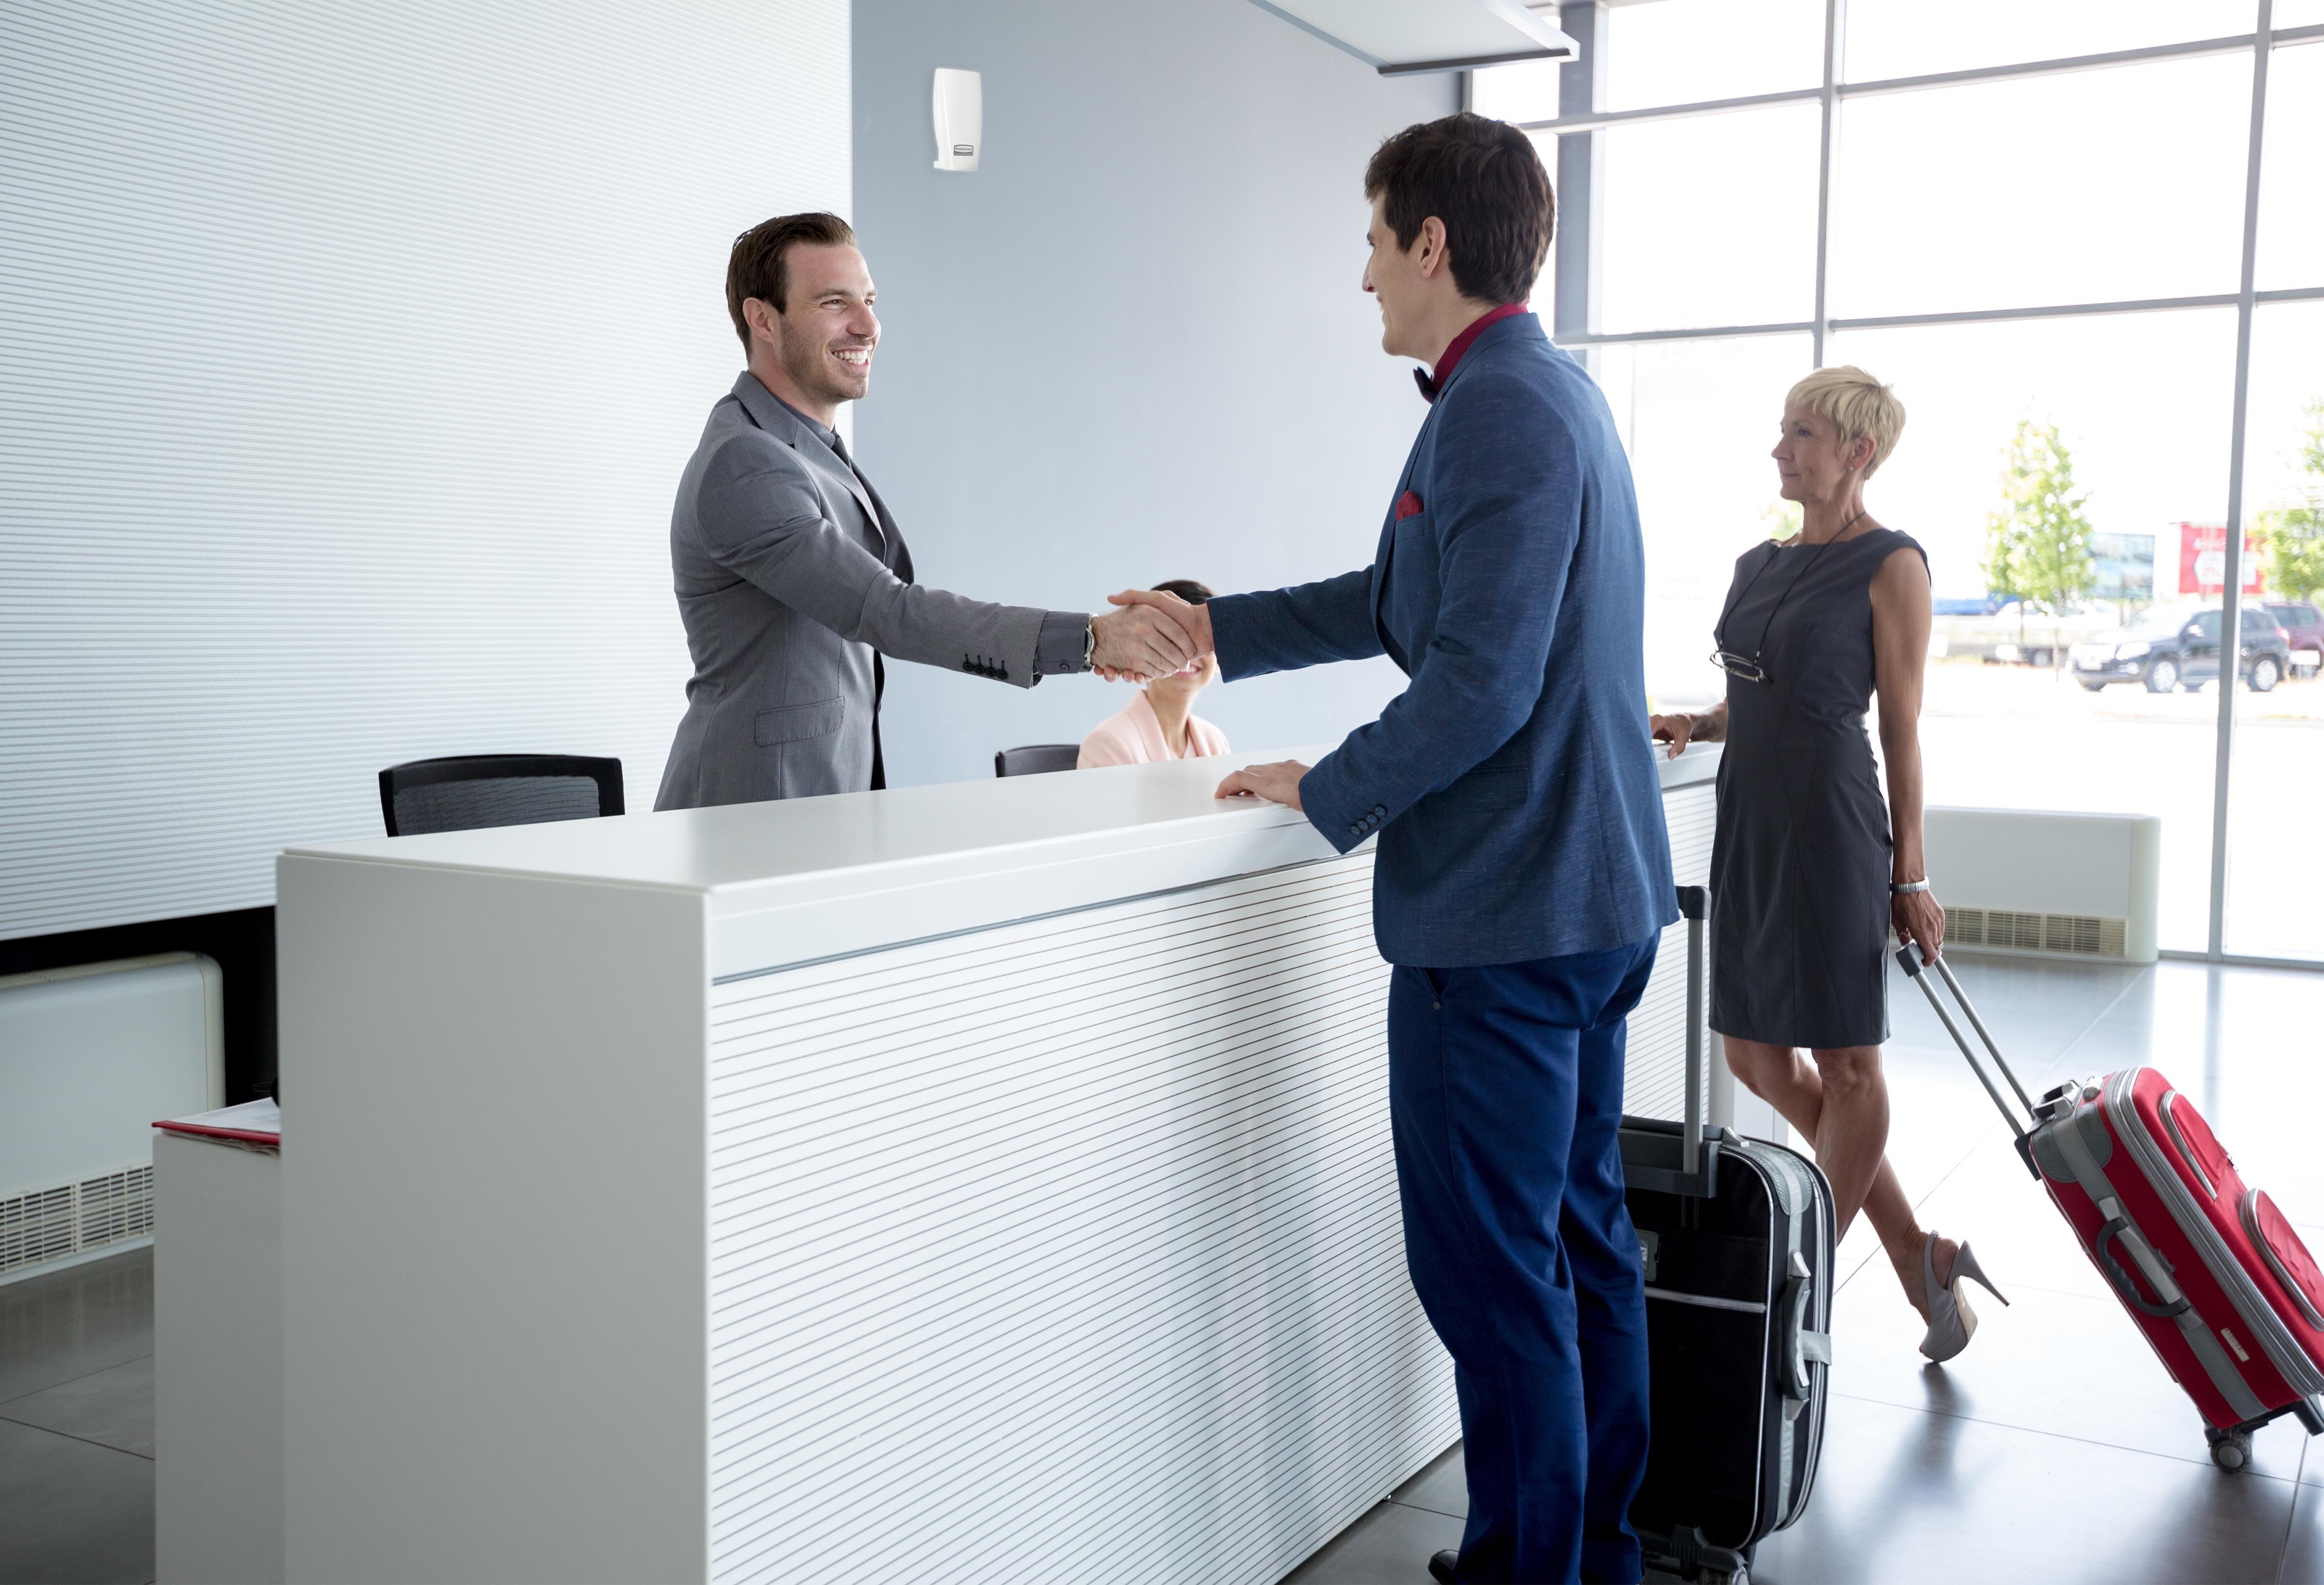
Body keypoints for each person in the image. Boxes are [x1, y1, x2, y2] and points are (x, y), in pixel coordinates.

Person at [1117, 114, 1675, 1585]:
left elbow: (1480, 682)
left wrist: (1325, 789)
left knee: (1500, 1284)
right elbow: (1392, 598)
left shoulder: (1499, 411)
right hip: (1585, 898)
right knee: (1581, 1245)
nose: (1363, 275)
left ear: (1432, 243)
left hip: (1504, 918)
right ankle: (1582, 1550)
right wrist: (1217, 628)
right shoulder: (1531, 395)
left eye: (1374, 241)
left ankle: (1533, 1564)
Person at [1650, 366, 2008, 1362]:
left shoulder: (1893, 565)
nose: (1780, 449)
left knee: (1849, 1065)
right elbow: (1752, 697)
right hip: (1751, 824)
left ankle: (1798, 1294)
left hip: (1837, 829)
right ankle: (1918, 1256)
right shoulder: (1755, 565)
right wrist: (1699, 719)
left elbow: (1900, 729)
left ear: (1858, 452)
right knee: (1755, 1058)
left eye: (1801, 433)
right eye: (1781, 430)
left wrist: (1912, 875)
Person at [655, 213, 1194, 809]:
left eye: (869, 300)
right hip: (748, 810)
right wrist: (1090, 640)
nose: (868, 326)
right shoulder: (746, 464)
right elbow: (885, 609)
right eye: (835, 303)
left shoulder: (808, 449)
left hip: (819, 806)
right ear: (763, 319)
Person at [1076, 580, 1231, 768]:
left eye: (1205, 641)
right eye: (1172, 638)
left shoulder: (1216, 741)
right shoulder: (1108, 744)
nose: (1188, 655)